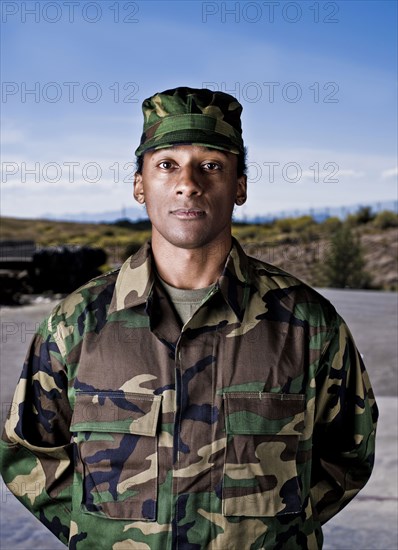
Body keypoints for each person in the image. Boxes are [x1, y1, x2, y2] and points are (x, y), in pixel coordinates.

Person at [0, 87, 378, 549]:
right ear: (139, 185)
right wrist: (96, 535)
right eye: (166, 165)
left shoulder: (309, 325)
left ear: (239, 186)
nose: (188, 183)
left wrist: (271, 535)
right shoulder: (75, 325)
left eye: (212, 166)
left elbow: (348, 454)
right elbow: (28, 452)